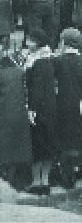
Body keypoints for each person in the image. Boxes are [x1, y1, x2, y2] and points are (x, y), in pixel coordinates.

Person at [0, 42, 32, 187]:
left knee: (2, 147)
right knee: (17, 146)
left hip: (2, 111)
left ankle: (5, 179)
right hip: (20, 111)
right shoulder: (18, 71)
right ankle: (15, 177)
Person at [24, 26, 58, 195]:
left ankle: (36, 182)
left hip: (38, 108)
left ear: (36, 42)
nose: (26, 41)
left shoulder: (36, 61)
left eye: (29, 39)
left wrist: (32, 109)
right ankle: (45, 180)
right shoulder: (51, 58)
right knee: (48, 144)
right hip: (51, 106)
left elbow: (36, 88)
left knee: (37, 144)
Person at [52, 27, 82, 189]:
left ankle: (66, 175)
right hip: (79, 106)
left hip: (61, 106)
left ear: (63, 42)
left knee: (63, 139)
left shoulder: (56, 61)